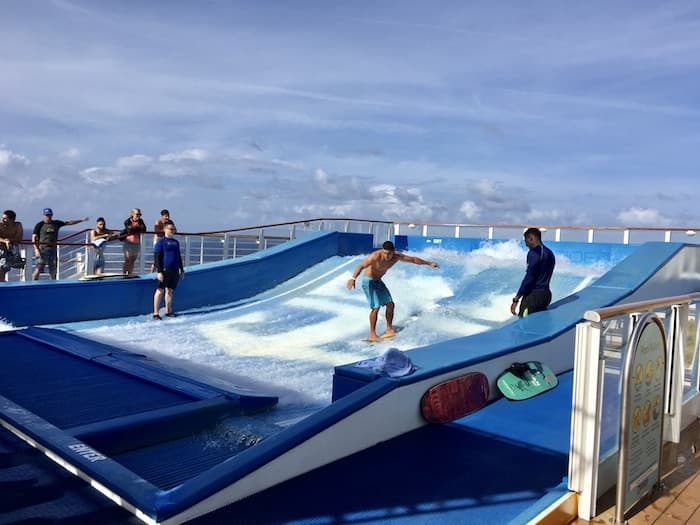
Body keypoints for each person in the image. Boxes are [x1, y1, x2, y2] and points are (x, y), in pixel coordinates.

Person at [347, 240, 439, 342]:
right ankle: (372, 334)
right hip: (369, 281)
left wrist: (429, 263)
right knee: (376, 308)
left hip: (378, 281)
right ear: (382, 251)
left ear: (393, 252)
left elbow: (413, 259)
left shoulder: (397, 256)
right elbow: (361, 266)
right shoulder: (375, 256)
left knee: (390, 304)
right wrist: (353, 278)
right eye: (385, 253)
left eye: (389, 254)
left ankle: (389, 329)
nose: (387, 256)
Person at [32, 208, 89, 280]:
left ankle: (52, 286)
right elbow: (33, 237)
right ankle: (33, 284)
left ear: (52, 215)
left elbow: (69, 223)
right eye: (47, 215)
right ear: (44, 215)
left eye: (49, 215)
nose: (48, 216)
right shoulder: (39, 225)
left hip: (53, 249)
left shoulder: (56, 223)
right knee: (38, 268)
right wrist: (36, 249)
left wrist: (81, 220)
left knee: (53, 270)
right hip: (43, 249)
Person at [510, 227, 556, 317]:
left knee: (523, 324)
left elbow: (529, 277)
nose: (526, 245)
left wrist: (516, 299)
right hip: (546, 295)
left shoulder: (534, 253)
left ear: (531, 238)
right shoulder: (550, 253)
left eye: (526, 241)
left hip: (534, 297)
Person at [153, 223, 185, 319]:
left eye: (174, 229)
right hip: (165, 270)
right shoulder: (161, 242)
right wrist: (159, 271)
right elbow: (157, 257)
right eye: (170, 229)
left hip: (174, 269)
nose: (172, 230)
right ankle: (156, 313)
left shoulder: (176, 242)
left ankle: (168, 310)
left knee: (170, 290)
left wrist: (182, 269)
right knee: (160, 290)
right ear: (165, 229)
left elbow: (178, 256)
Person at [121, 208, 147, 276]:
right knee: (127, 259)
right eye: (137, 214)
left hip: (136, 243)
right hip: (128, 243)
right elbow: (130, 230)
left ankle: (129, 273)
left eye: (140, 214)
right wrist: (137, 228)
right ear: (132, 214)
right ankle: (124, 274)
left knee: (133, 260)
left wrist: (135, 229)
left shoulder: (141, 221)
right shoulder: (127, 221)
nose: (139, 216)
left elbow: (144, 229)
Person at [0, 210, 24, 282]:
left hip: (10, 250)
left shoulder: (18, 225)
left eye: (5, 218)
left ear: (12, 220)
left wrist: (9, 240)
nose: (2, 220)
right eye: (2, 218)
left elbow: (19, 238)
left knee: (3, 268)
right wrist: (5, 241)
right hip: (1, 249)